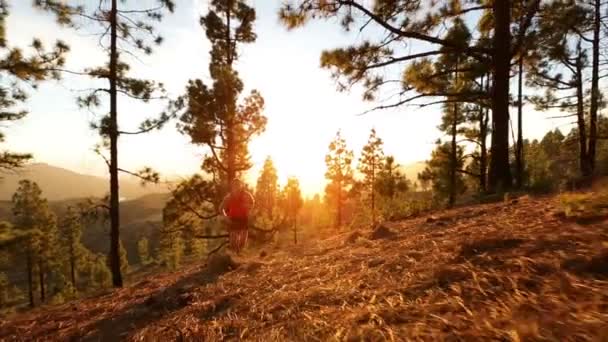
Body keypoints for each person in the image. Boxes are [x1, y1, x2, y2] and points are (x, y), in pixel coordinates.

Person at [219, 179, 255, 254]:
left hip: (244, 218)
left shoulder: (246, 195)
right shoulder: (229, 197)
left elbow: (252, 202)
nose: (236, 187)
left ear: (241, 186)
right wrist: (225, 217)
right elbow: (221, 208)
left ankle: (240, 254)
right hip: (233, 219)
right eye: (235, 185)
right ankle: (235, 255)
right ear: (232, 187)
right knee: (233, 241)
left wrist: (249, 208)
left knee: (242, 241)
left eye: (238, 185)